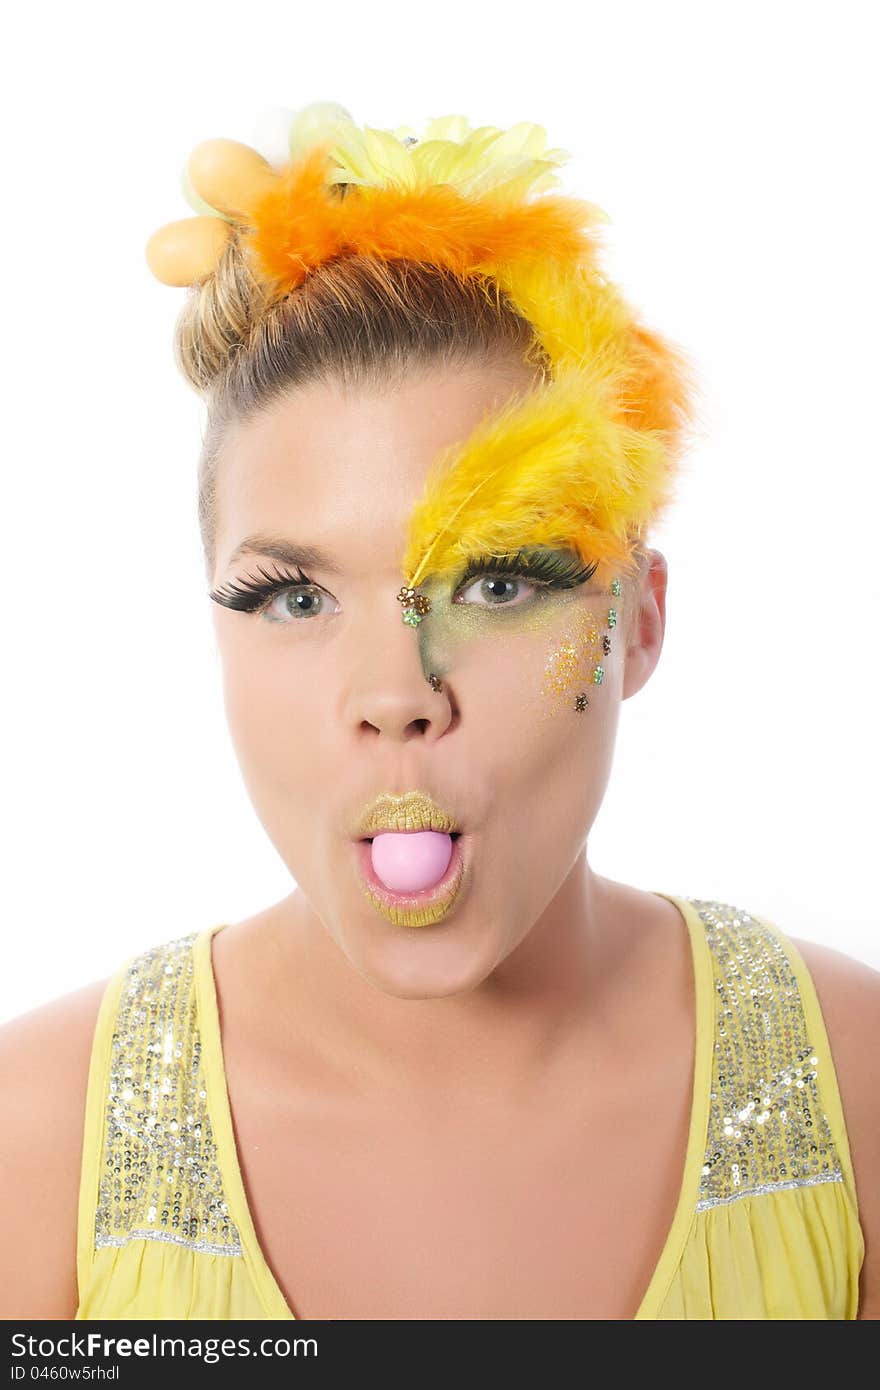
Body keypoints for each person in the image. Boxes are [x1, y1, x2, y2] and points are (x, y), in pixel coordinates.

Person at [1, 103, 876, 1322]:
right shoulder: (32, 1138)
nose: (397, 697)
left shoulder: (859, 1082)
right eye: (297, 594)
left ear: (639, 622)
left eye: (499, 580)